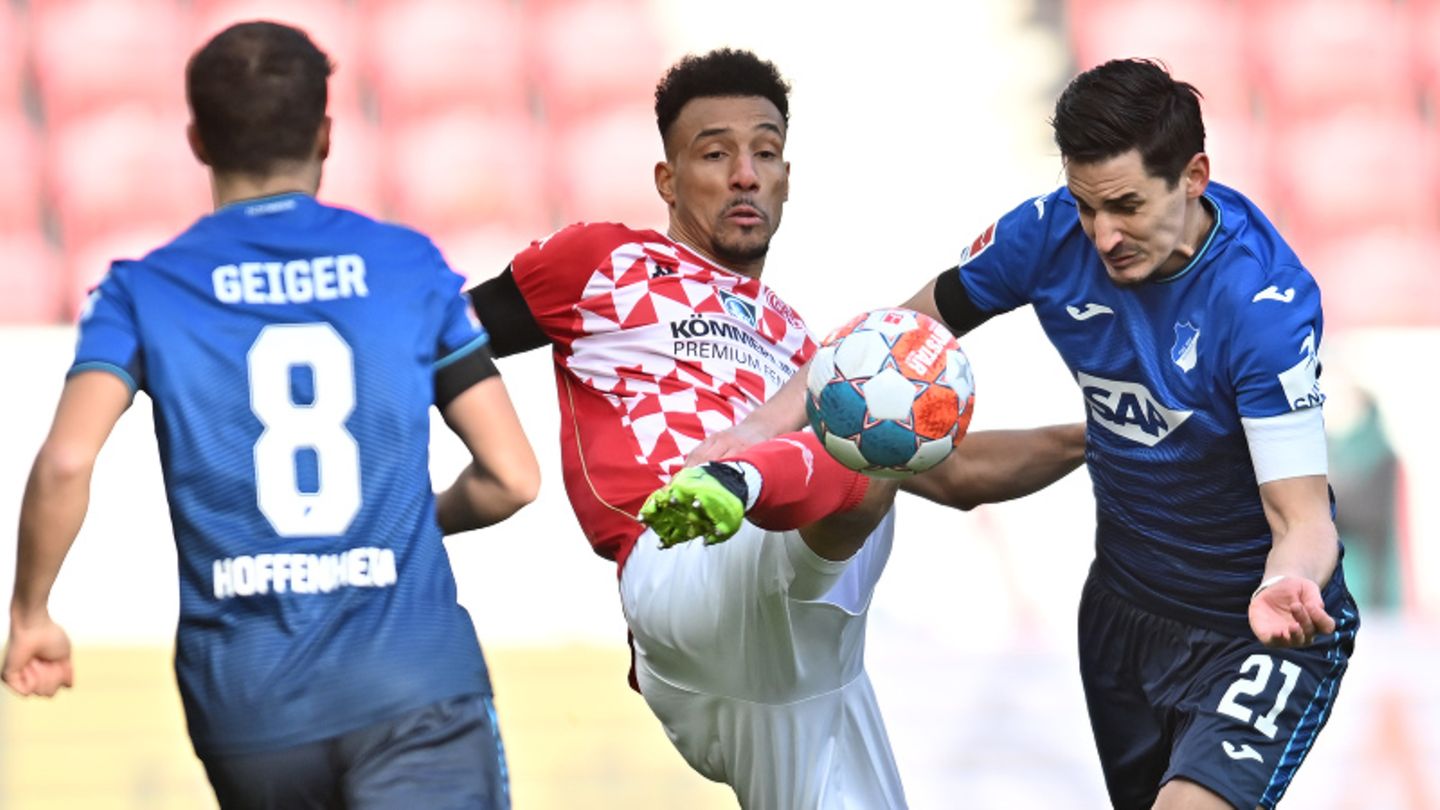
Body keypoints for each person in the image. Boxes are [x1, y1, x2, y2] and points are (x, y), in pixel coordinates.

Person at [714, 57, 1361, 809]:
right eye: (1088, 207)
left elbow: (1303, 520)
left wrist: (1288, 583)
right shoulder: (1047, 234)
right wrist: (759, 428)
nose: (1104, 235)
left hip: (1256, 624)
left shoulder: (1262, 304)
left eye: (1125, 205)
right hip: (1121, 611)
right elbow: (886, 342)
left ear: (1194, 176)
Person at [465, 47, 1086, 809]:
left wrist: (1096, 437)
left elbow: (955, 477)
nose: (745, 175)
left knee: (874, 438)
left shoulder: (799, 341)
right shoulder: (604, 262)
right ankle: (735, 478)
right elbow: (445, 335)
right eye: (715, 153)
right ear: (667, 179)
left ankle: (753, 474)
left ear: (788, 178)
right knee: (857, 435)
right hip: (684, 571)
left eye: (765, 152)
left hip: (813, 649)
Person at [2, 22, 538, 809]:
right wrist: (404, 523)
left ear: (196, 139)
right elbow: (511, 477)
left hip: (246, 701)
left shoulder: (140, 289)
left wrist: (31, 612)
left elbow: (66, 462)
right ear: (326, 132)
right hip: (413, 684)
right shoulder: (408, 266)